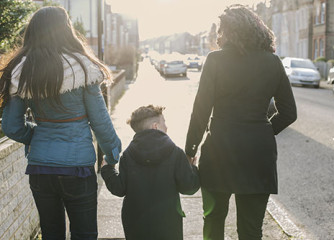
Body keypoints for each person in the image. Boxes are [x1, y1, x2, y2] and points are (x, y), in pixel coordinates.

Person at [0, 6, 121, 239]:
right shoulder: (83, 68)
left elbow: (11, 126)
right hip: (78, 168)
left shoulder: (22, 72)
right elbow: (101, 123)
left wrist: (39, 136)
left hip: (40, 168)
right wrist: (112, 155)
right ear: (66, 30)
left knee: (51, 234)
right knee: (84, 234)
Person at [185, 5, 297, 240]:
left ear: (229, 31)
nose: (219, 36)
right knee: (251, 229)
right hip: (258, 155)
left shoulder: (215, 60)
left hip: (219, 153)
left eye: (222, 30)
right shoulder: (272, 62)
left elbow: (201, 111)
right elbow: (289, 112)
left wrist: (191, 149)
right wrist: (264, 130)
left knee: (213, 219)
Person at [101, 105, 200, 240]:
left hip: (136, 222)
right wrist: (193, 168)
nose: (166, 127)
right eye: (164, 122)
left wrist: (107, 169)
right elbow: (189, 187)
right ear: (155, 126)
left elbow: (119, 188)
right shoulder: (176, 153)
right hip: (168, 222)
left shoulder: (128, 155)